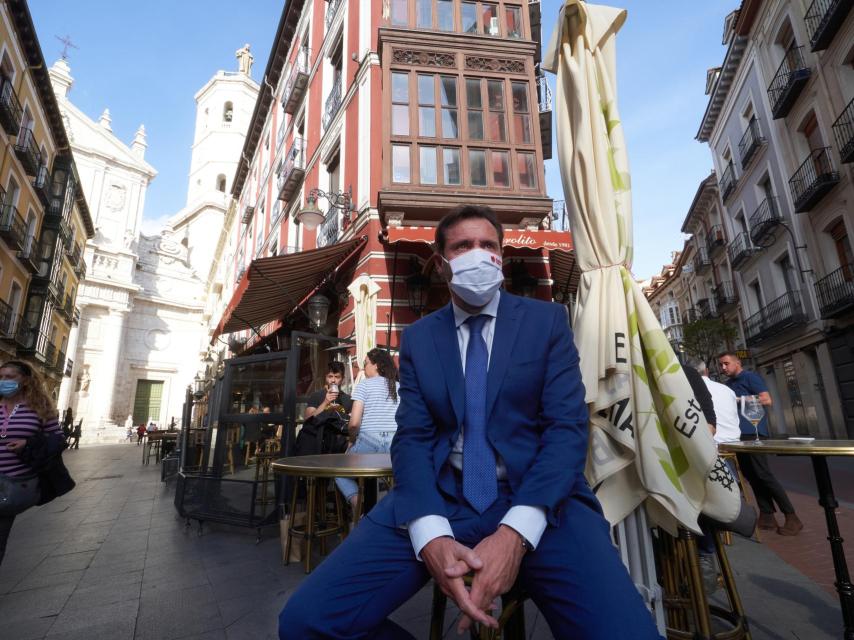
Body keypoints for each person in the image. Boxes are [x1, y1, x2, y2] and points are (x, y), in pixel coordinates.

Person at [279, 205, 661, 638]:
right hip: (439, 496)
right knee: (305, 622)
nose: (478, 255)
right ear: (442, 265)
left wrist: (515, 533)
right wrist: (430, 534)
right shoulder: (421, 337)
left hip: (540, 499)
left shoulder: (547, 322)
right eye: (463, 246)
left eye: (489, 246)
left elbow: (566, 431)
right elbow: (414, 439)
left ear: (502, 256)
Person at [719, 352, 802, 536]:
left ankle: (791, 515)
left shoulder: (750, 377)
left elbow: (766, 399)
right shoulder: (728, 385)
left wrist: (738, 400)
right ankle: (767, 514)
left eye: (726, 364)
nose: (723, 368)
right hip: (738, 435)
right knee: (751, 474)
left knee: (763, 473)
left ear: (737, 362)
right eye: (721, 365)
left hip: (754, 431)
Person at [0, 361, 64, 565]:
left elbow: (57, 439)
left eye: (10, 377)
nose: (3, 381)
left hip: (13, 484)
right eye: (1, 377)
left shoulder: (40, 407)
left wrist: (27, 443)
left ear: (26, 380)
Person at [335, 348, 400, 512]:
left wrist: (351, 441)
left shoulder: (364, 385)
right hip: (395, 446)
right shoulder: (399, 387)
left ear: (376, 365)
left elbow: (354, 424)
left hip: (369, 444)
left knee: (339, 471)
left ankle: (359, 505)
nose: (363, 368)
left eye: (365, 364)